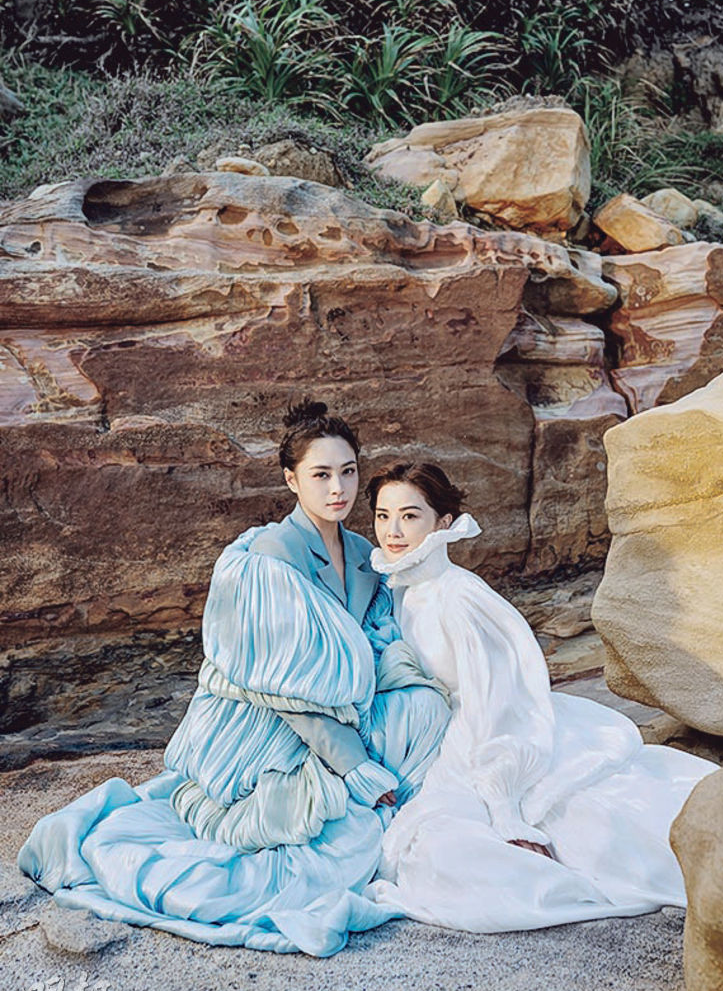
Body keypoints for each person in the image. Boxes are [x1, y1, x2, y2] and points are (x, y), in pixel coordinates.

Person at [18, 403, 449, 956]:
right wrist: (355, 766)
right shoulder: (267, 558)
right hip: (263, 721)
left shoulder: (365, 554)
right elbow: (286, 688)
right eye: (320, 474)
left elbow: (379, 641)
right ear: (291, 480)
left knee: (424, 709)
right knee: (339, 842)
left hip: (337, 712)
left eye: (347, 472)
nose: (337, 488)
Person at [363, 461, 717, 933]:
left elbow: (503, 702)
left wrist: (504, 804)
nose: (393, 531)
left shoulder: (459, 598)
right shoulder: (402, 590)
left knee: (589, 832)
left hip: (494, 738)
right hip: (445, 743)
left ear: (443, 522)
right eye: (383, 516)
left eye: (409, 516)